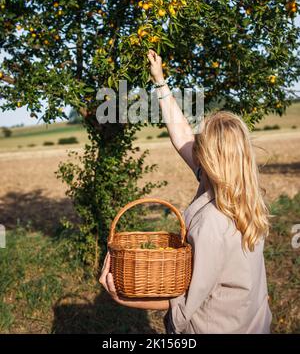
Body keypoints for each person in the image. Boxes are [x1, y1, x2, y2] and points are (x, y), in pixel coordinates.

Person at [100, 49, 272, 334]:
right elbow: (181, 135)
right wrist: (160, 82)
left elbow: (184, 298)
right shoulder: (246, 196)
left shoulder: (212, 222)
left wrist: (123, 297)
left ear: (211, 159)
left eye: (201, 144)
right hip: (252, 322)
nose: (195, 146)